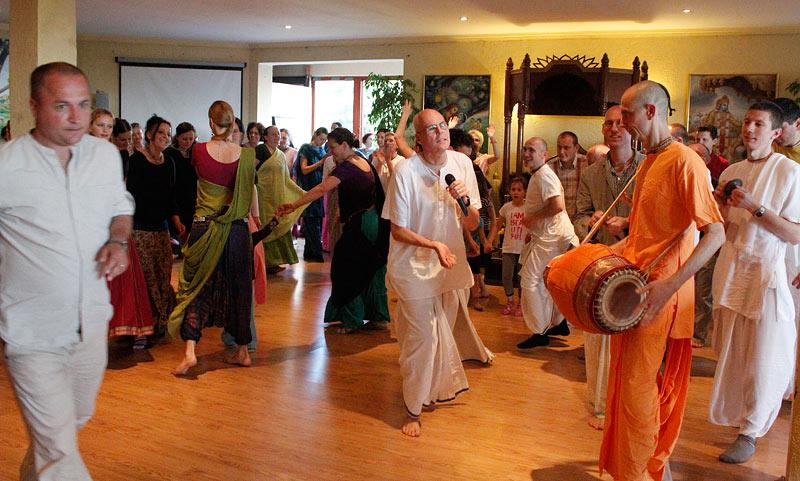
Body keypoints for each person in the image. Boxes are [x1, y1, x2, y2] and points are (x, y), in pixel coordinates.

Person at [0, 62, 134, 480]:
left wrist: (118, 241)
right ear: (34, 106)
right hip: (31, 332)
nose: (77, 117)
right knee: (58, 449)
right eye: (62, 106)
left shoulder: (105, 156)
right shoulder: (7, 165)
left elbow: (120, 208)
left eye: (83, 105)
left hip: (92, 321)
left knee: (69, 425)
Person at [599, 80, 724, 481]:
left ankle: (642, 472)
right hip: (636, 288)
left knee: (638, 388)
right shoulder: (650, 161)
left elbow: (716, 233)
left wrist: (670, 285)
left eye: (627, 114)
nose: (622, 122)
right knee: (628, 384)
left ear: (650, 111)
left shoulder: (686, 161)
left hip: (660, 294)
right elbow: (648, 233)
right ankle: (640, 469)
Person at [382, 108, 494, 437]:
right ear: (419, 139)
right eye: (432, 129)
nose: (441, 132)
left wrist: (464, 203)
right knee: (422, 338)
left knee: (439, 334)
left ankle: (427, 391)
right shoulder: (406, 172)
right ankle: (412, 409)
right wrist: (433, 245)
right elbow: (398, 230)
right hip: (413, 267)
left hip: (449, 266)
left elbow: (471, 222)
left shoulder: (461, 164)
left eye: (443, 126)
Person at [708, 101, 800, 464]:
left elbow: (794, 234)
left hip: (766, 274)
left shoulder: (789, 171)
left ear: (776, 132)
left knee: (764, 356)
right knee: (731, 353)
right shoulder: (732, 171)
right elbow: (722, 228)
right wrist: (719, 205)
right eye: (747, 122)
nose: (750, 129)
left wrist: (753, 206)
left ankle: (751, 431)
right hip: (731, 270)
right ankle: (740, 418)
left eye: (759, 124)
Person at [169, 100, 260, 375]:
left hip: (204, 228)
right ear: (233, 123)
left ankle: (190, 352)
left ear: (210, 122)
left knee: (196, 287)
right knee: (239, 289)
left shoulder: (197, 151)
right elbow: (248, 195)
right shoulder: (247, 156)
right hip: (236, 231)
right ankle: (243, 351)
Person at [277, 127, 390, 333]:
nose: (330, 152)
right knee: (371, 268)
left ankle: (352, 320)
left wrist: (294, 205)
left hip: (361, 224)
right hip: (373, 221)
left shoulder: (347, 167)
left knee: (346, 269)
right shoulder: (362, 159)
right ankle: (378, 316)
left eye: (333, 147)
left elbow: (321, 189)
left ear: (345, 145)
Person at [573, 105, 644, 430]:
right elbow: (578, 215)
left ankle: (630, 404)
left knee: (634, 338)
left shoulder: (647, 168)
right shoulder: (590, 173)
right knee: (597, 338)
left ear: (631, 128)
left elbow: (657, 218)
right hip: (601, 263)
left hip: (638, 264)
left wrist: (627, 223)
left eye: (620, 123)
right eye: (608, 124)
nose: (614, 129)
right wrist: (591, 220)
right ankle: (600, 406)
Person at [89, 111, 154, 347]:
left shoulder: (114, 154)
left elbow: (119, 190)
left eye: (109, 126)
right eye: (100, 125)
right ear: (90, 126)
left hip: (112, 219)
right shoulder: (81, 152)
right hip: (90, 221)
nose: (105, 130)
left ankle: (129, 328)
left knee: (122, 275)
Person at [517, 136, 578, 349]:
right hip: (550, 236)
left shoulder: (544, 175)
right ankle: (558, 323)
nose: (526, 154)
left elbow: (557, 206)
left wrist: (531, 220)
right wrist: (532, 228)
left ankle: (539, 331)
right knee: (548, 281)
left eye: (531, 150)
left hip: (551, 238)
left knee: (529, 280)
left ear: (544, 154)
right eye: (525, 149)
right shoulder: (540, 174)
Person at [126, 115, 184, 339]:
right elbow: (131, 196)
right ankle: (148, 325)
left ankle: (161, 321)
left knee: (163, 277)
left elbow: (172, 196)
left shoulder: (169, 163)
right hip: (140, 229)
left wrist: (176, 219)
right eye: (161, 133)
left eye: (168, 134)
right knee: (147, 279)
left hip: (161, 230)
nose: (165, 137)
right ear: (150, 134)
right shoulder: (137, 161)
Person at [256, 125, 307, 272]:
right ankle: (264, 262)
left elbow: (285, 179)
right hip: (263, 197)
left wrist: (301, 193)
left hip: (277, 197)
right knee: (266, 226)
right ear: (265, 137)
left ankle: (274, 262)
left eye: (278, 134)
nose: (277, 137)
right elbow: (251, 171)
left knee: (278, 224)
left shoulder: (280, 155)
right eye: (273, 134)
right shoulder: (261, 150)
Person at [294, 127, 329, 262]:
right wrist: (321, 162)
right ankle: (315, 252)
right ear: (315, 135)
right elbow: (304, 169)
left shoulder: (322, 150)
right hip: (308, 188)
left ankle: (310, 252)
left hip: (319, 188)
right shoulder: (306, 148)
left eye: (324, 140)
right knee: (311, 221)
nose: (322, 142)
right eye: (321, 139)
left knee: (317, 220)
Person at [496, 175, 528, 316]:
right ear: (509, 191)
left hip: (524, 249)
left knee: (522, 278)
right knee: (506, 276)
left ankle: (521, 303)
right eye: (513, 189)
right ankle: (510, 301)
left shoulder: (529, 207)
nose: (516, 192)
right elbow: (498, 225)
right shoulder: (506, 208)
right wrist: (490, 241)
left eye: (519, 190)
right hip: (508, 248)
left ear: (525, 192)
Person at [165, 122, 198, 245]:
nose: (188, 142)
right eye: (184, 139)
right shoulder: (169, 154)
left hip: (193, 198)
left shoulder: (196, 152)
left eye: (191, 139)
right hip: (176, 198)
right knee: (178, 234)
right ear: (177, 137)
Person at [546, 131, 589, 221]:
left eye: (566, 148)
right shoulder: (549, 167)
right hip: (557, 220)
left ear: (576, 148)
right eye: (559, 147)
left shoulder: (587, 164)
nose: (561, 152)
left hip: (581, 219)